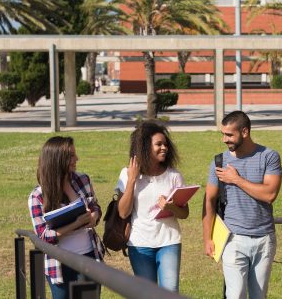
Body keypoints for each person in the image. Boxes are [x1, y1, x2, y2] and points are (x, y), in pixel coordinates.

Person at [202, 111, 282, 299]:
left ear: (244, 132)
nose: (224, 139)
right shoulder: (219, 162)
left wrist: (236, 179)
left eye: (229, 134)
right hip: (233, 239)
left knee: (258, 295)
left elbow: (270, 194)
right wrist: (207, 239)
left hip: (264, 239)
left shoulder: (269, 157)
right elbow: (209, 201)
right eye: (223, 134)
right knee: (235, 295)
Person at [116, 121, 189, 292]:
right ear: (144, 147)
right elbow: (123, 211)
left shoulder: (174, 176)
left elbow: (184, 213)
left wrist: (171, 207)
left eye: (165, 144)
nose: (164, 148)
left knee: (169, 293)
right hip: (139, 243)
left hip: (169, 242)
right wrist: (132, 180)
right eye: (158, 144)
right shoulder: (127, 175)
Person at [28, 136, 103, 299]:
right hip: (59, 265)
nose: (77, 159)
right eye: (71, 156)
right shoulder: (37, 196)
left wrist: (94, 215)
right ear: (57, 160)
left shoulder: (82, 179)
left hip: (89, 258)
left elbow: (95, 206)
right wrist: (76, 223)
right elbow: (43, 237)